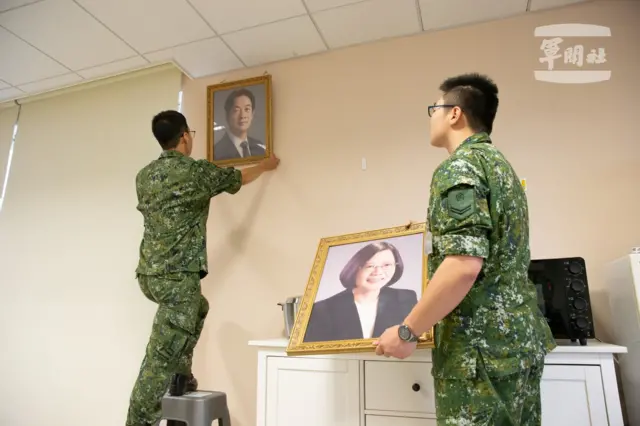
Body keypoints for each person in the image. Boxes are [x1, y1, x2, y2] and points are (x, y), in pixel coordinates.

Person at [373, 73, 556, 425]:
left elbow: (462, 266)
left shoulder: (459, 166)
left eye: (434, 109)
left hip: (479, 354)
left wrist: (407, 331)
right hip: (516, 344)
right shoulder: (501, 168)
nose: (432, 118)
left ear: (454, 114)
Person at [125, 110, 279, 426]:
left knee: (198, 309)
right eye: (191, 133)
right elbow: (240, 177)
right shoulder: (196, 173)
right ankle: (138, 420)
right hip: (178, 277)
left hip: (150, 276)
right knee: (158, 361)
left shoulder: (144, 176)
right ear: (184, 136)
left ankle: (181, 379)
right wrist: (265, 165)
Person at [303, 241, 418, 342]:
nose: (378, 272)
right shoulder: (322, 309)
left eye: (387, 265)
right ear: (354, 268)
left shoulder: (407, 298)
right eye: (369, 266)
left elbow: (415, 338)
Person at [214, 88, 266, 160]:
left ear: (252, 114)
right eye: (236, 110)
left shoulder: (261, 148)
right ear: (227, 115)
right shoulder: (216, 152)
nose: (242, 116)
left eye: (247, 109)